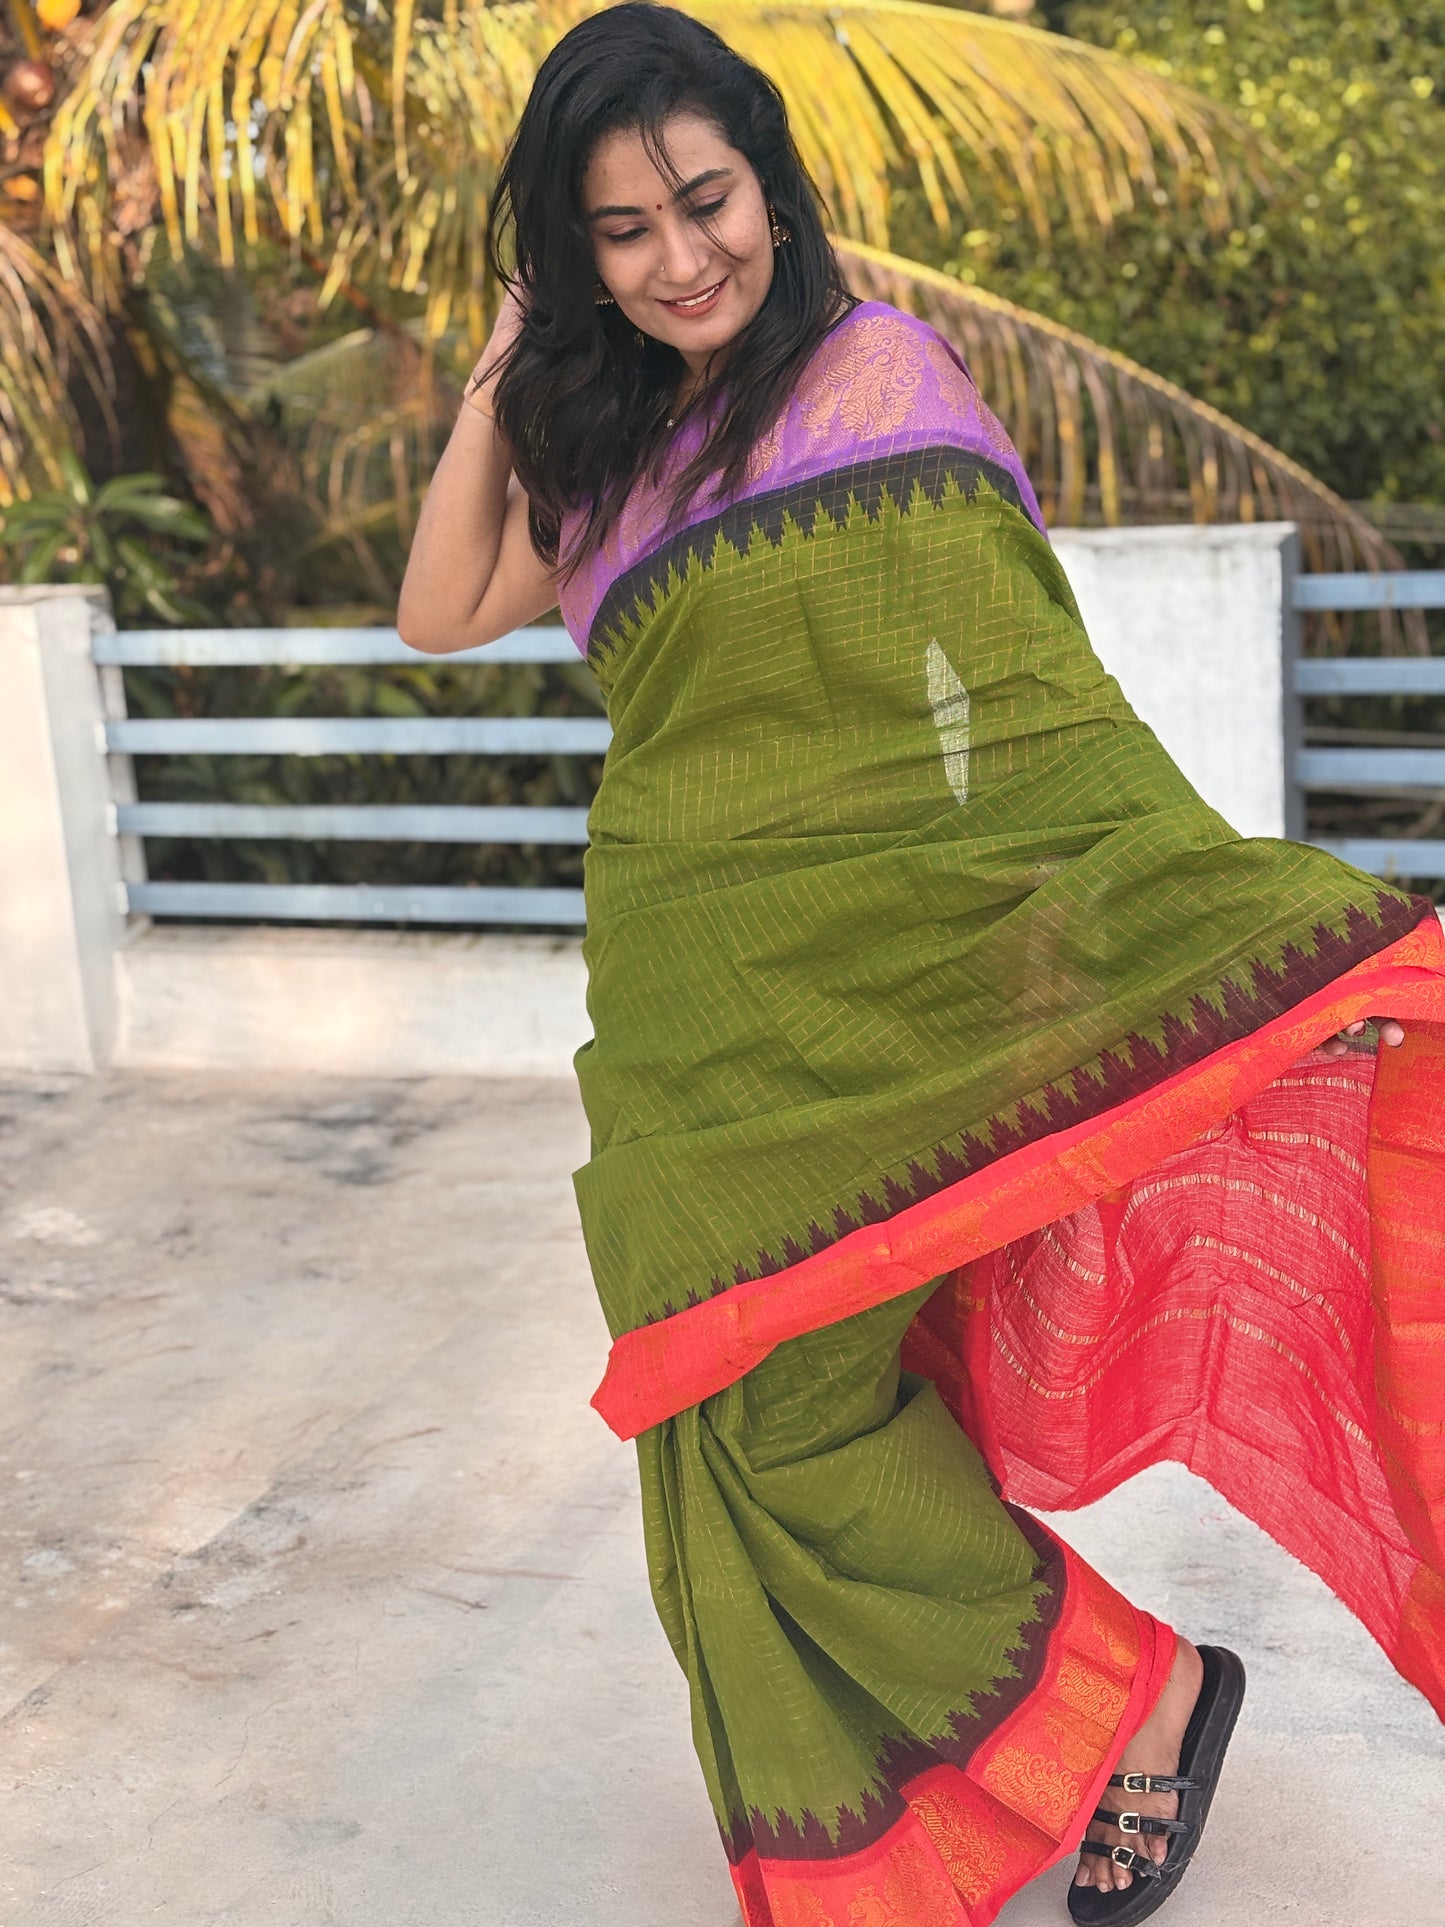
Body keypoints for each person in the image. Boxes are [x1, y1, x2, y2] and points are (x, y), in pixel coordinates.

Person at [398, 8, 1445, 1922]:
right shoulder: (596, 436)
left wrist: (1152, 933)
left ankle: (1121, 1700)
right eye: (618, 232)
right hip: (690, 1015)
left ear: (773, 195)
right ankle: (1138, 1692)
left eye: (703, 202)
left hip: (886, 997)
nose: (679, 257)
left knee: (798, 1404)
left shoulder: (873, 372)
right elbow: (431, 611)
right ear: (574, 258)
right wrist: (497, 372)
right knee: (737, 1416)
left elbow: (1026, 704)